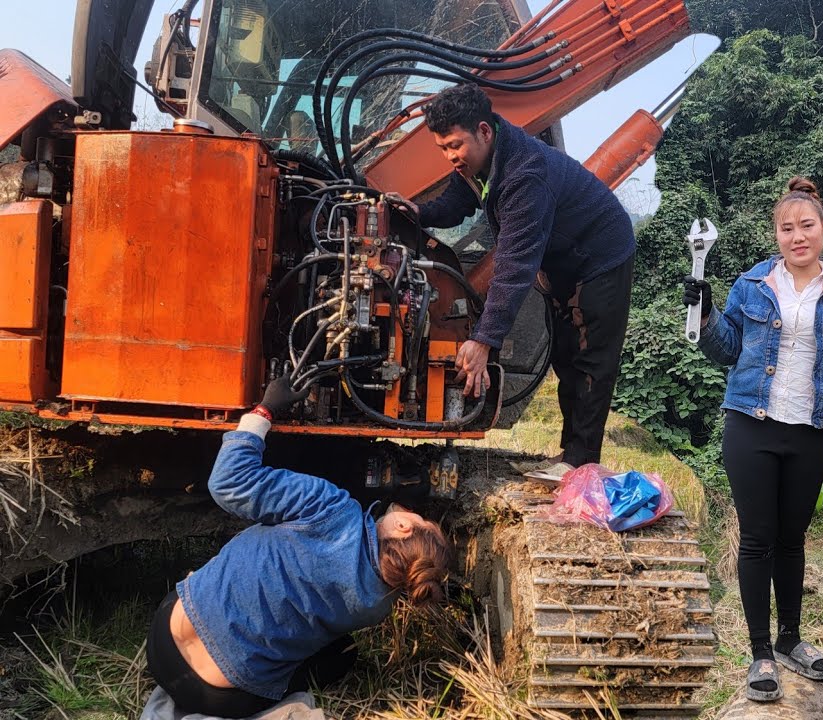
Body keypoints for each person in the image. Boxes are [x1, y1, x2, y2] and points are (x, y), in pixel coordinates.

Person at [682, 177, 823, 702]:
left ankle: (790, 641)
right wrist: (705, 312)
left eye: (806, 226)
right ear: (775, 235)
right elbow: (725, 349)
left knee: (792, 540)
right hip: (751, 425)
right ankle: (759, 653)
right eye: (786, 228)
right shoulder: (752, 285)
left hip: (810, 429)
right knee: (757, 539)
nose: (797, 236)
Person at [144, 377, 451, 718]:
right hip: (222, 697)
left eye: (422, 519)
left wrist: (265, 409)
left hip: (161, 644)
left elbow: (228, 482)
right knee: (341, 655)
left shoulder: (331, 508)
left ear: (405, 526)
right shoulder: (376, 606)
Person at [393, 82, 635, 478]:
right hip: (560, 260)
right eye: (443, 149)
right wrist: (416, 213)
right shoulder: (480, 161)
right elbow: (456, 206)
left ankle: (582, 462)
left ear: (484, 131)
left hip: (599, 257)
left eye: (455, 145)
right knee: (565, 357)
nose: (451, 156)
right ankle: (571, 456)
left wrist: (484, 339)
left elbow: (514, 265)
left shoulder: (524, 175)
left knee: (590, 359)